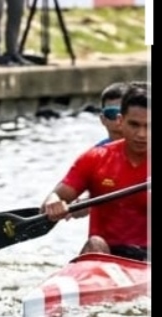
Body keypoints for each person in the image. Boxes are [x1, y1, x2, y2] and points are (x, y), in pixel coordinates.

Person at [40, 82, 149, 261]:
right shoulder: (94, 158)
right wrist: (54, 203)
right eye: (134, 125)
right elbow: (53, 199)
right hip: (106, 255)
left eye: (149, 126)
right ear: (121, 122)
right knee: (95, 243)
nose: (142, 134)